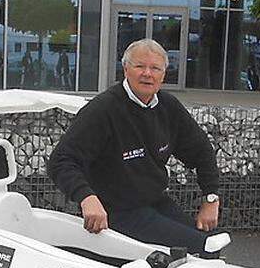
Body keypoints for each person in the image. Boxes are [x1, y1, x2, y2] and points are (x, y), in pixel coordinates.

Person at [48, 38, 221, 252]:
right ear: (125, 69)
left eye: (155, 68)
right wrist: (87, 198)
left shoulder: (168, 107)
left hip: (155, 203)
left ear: (164, 74)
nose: (147, 73)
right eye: (140, 66)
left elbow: (202, 151)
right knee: (200, 248)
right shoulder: (103, 109)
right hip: (116, 212)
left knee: (211, 241)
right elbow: (61, 161)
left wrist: (210, 198)